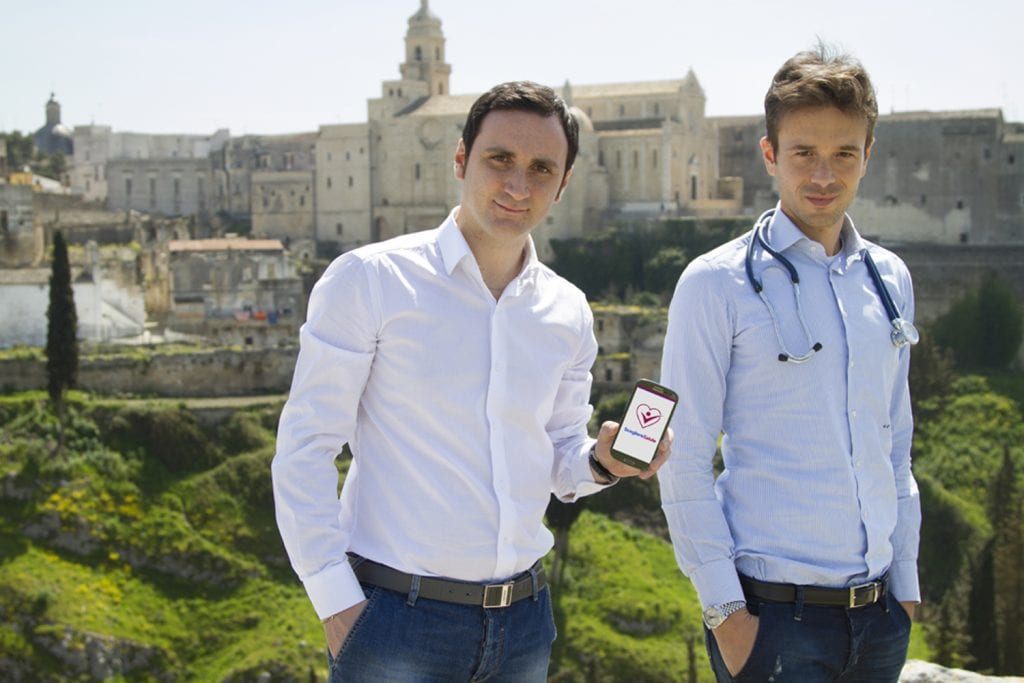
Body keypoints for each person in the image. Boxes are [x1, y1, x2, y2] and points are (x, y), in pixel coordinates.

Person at [272, 81, 669, 682]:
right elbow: (305, 446)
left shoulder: (567, 309)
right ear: (461, 160)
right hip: (393, 620)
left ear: (564, 184)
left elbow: (558, 453)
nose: (518, 185)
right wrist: (336, 603)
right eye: (499, 159)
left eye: (541, 169)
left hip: (524, 624)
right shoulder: (370, 280)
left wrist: (603, 461)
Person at [658, 45, 920, 682]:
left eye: (844, 154)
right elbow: (683, 458)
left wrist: (907, 587)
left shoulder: (889, 278)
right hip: (773, 622)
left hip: (880, 617)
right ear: (770, 155)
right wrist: (727, 613)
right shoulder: (714, 283)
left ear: (867, 156)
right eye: (804, 153)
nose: (823, 175)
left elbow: (895, 443)